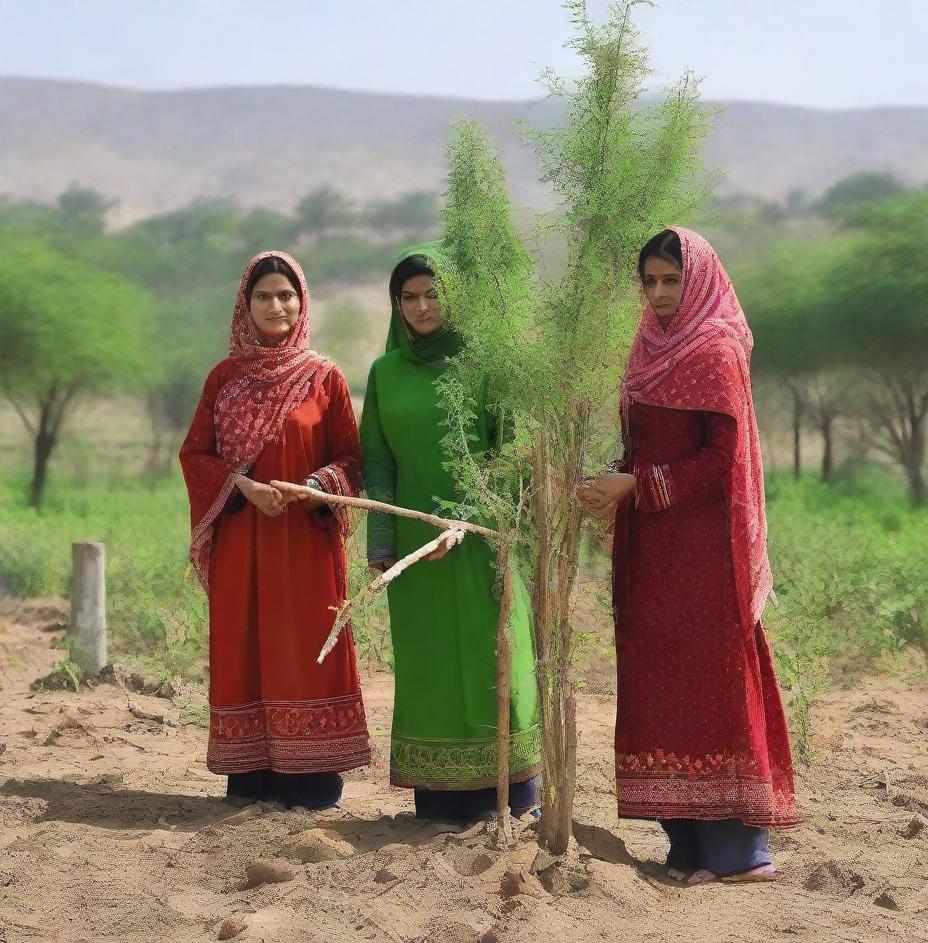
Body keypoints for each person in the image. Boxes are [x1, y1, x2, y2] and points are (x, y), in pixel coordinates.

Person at [578, 227, 798, 884]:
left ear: (696, 279)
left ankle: (736, 853)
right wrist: (610, 479)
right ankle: (684, 847)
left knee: (714, 688)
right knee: (658, 688)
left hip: (705, 553)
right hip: (648, 552)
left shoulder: (716, 350)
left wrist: (638, 485)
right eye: (648, 281)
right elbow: (640, 445)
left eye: (670, 280)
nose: (659, 293)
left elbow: (718, 460)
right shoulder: (645, 349)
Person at [180, 250, 370, 810]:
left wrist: (311, 486)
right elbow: (195, 455)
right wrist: (242, 486)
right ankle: (251, 776)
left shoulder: (324, 378)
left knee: (307, 642)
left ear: (302, 301)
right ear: (246, 304)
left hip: (305, 541)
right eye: (263, 295)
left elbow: (352, 461)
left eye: (286, 295)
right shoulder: (224, 378)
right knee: (245, 643)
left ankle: (312, 780)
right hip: (242, 538)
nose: (275, 305)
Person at [359, 243, 541, 821]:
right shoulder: (384, 374)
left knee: (498, 661)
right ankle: (439, 802)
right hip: (419, 552)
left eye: (433, 293)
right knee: (429, 666)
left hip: (486, 541)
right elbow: (379, 466)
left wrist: (483, 517)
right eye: (408, 297)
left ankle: (516, 797)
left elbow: (513, 452)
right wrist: (383, 548)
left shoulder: (486, 364)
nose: (421, 306)